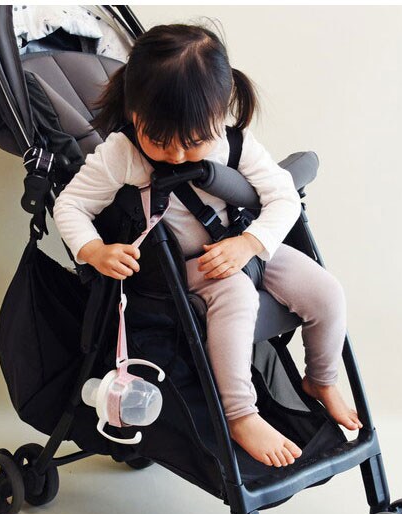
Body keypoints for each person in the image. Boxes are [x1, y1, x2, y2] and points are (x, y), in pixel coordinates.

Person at [53, 23, 361, 469]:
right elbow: (71, 205)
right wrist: (94, 250)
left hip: (246, 248)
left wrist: (250, 243)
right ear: (134, 115)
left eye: (194, 142)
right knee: (236, 294)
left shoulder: (234, 143)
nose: (177, 155)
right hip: (187, 269)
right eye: (160, 141)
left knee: (326, 291)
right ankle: (240, 414)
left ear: (220, 114)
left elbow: (284, 199)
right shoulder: (123, 153)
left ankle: (321, 379)